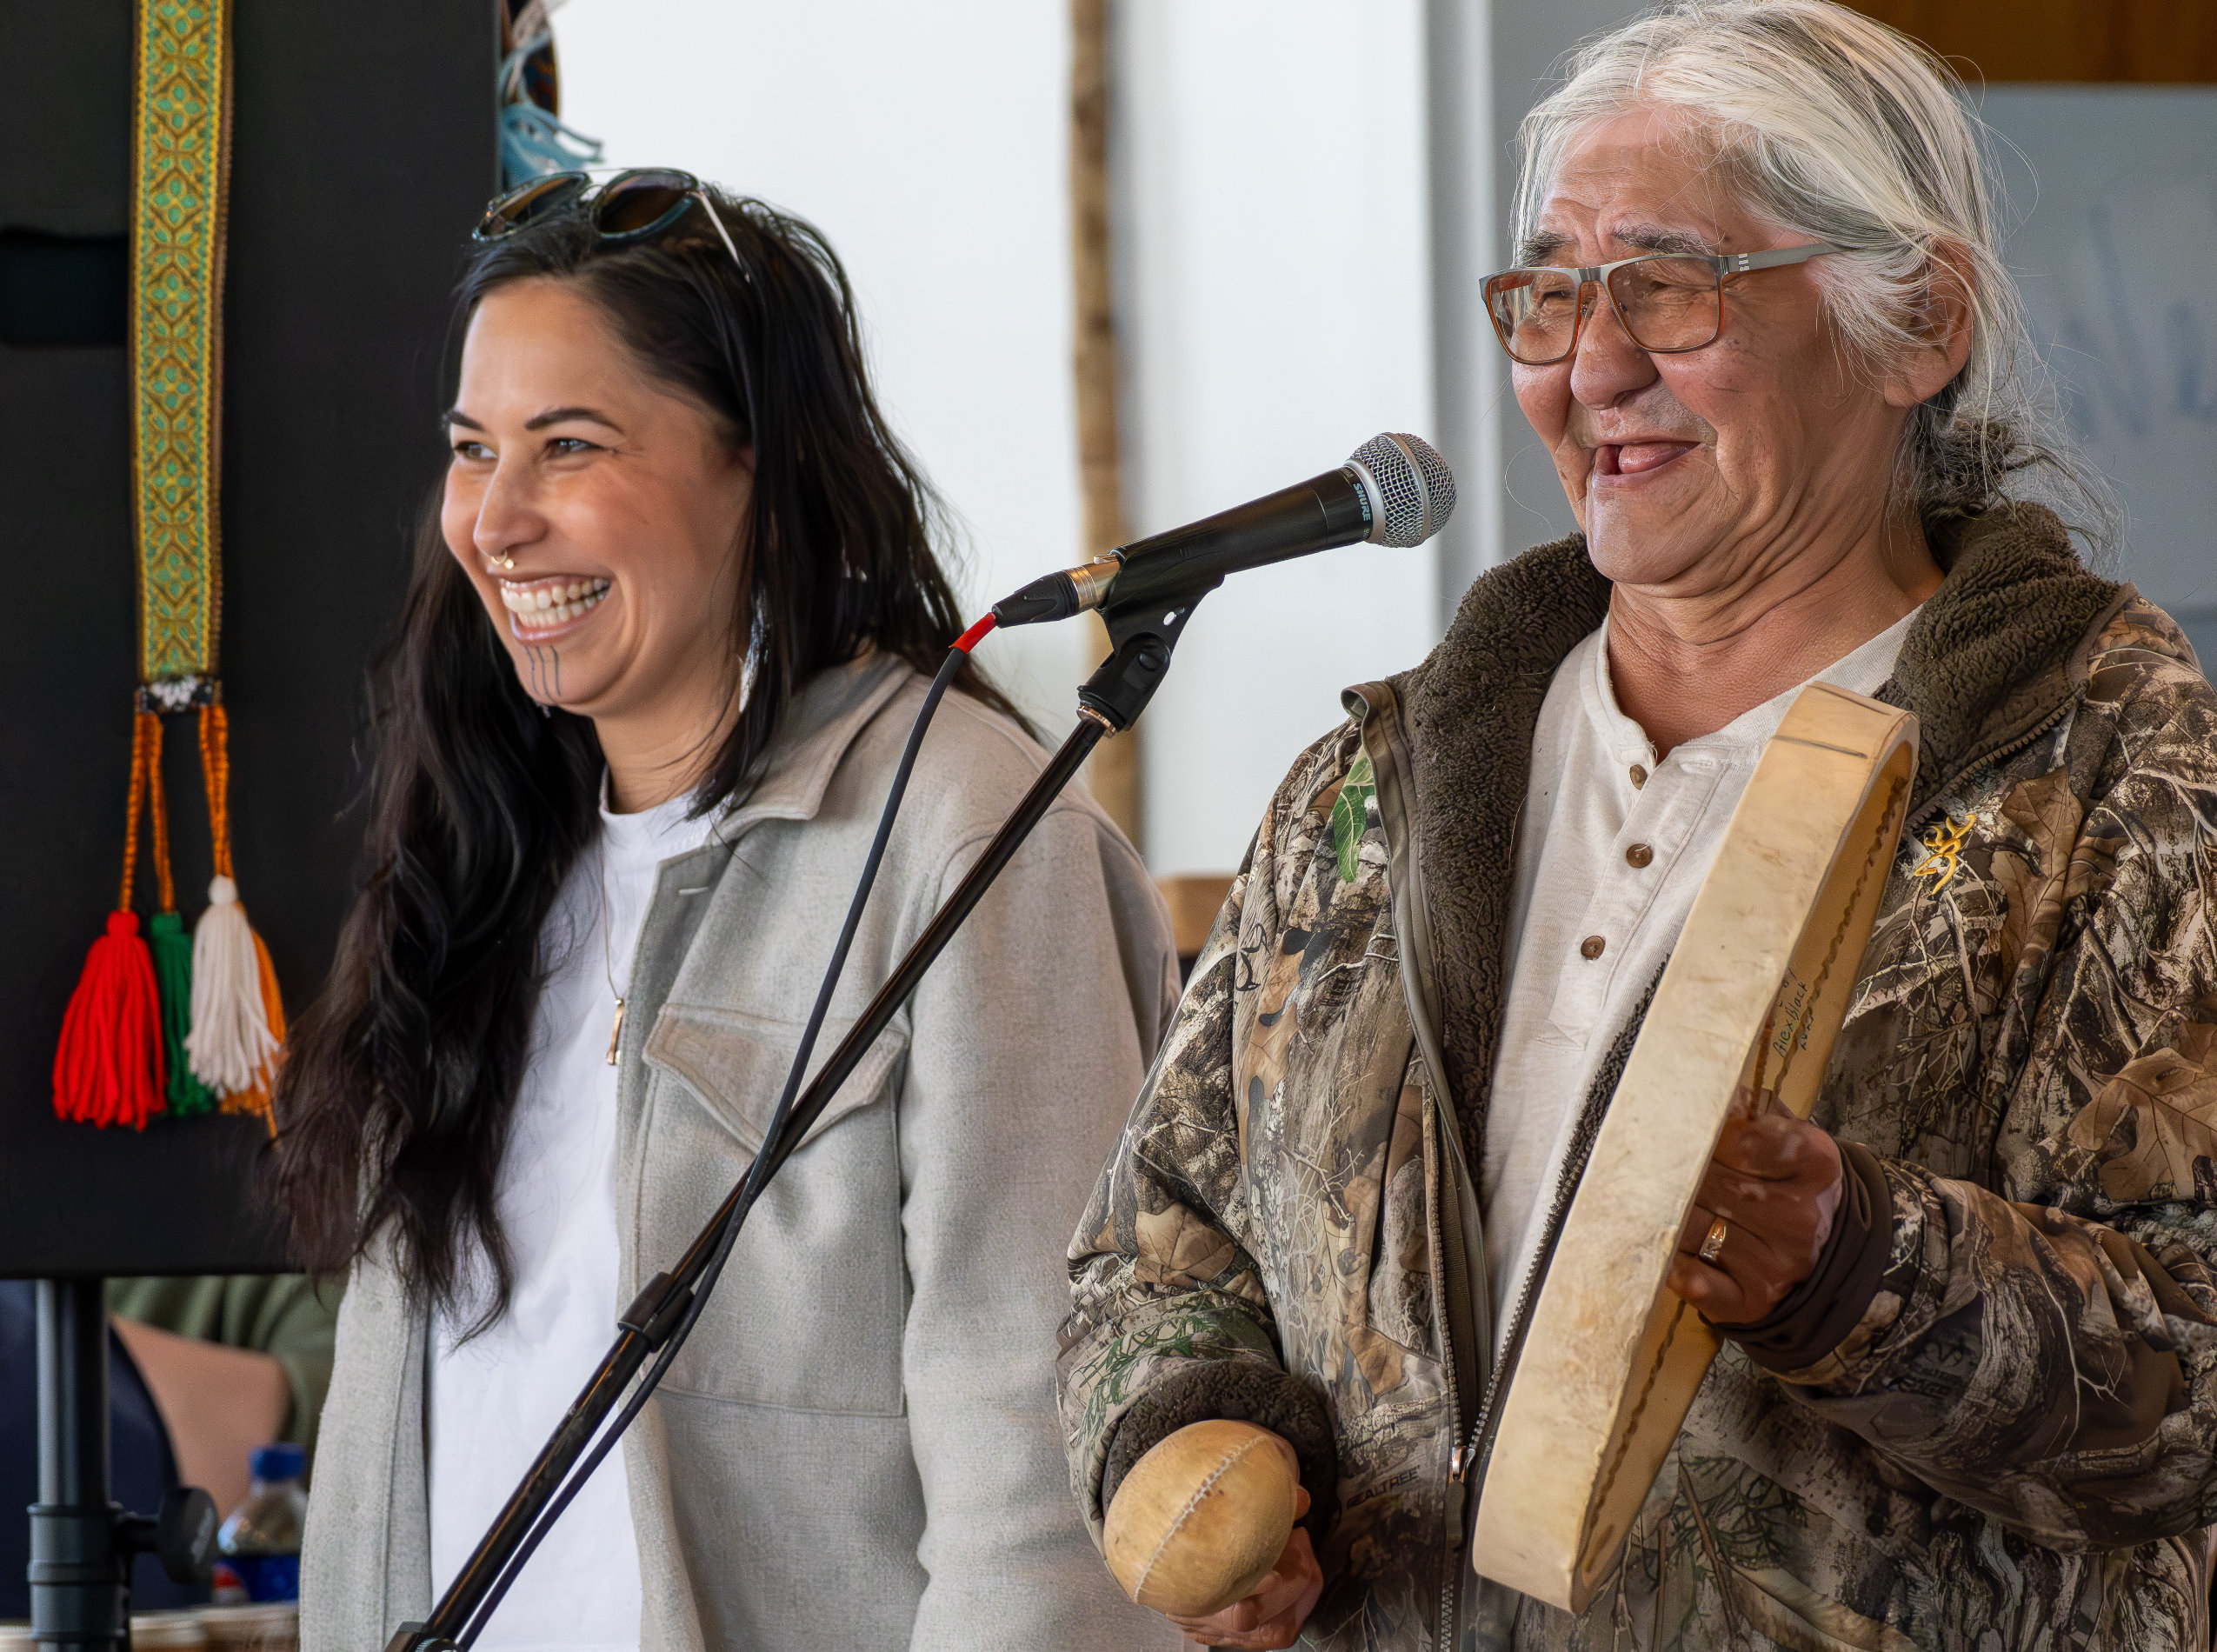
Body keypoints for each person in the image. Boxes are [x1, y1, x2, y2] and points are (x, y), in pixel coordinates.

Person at [1057, 4, 2217, 1648]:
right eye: (1548, 295)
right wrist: (1195, 1438)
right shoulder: (1375, 786)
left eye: (1668, 286)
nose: (1590, 368)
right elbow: (1154, 1246)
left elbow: (2195, 1371)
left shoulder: (2121, 779)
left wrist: (1859, 1268)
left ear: (1917, 324)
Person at [276, 171, 1181, 1652]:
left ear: (755, 466)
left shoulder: (962, 832)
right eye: (472, 449)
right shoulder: (482, 850)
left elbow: (1038, 1458)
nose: (496, 520)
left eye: (570, 446)